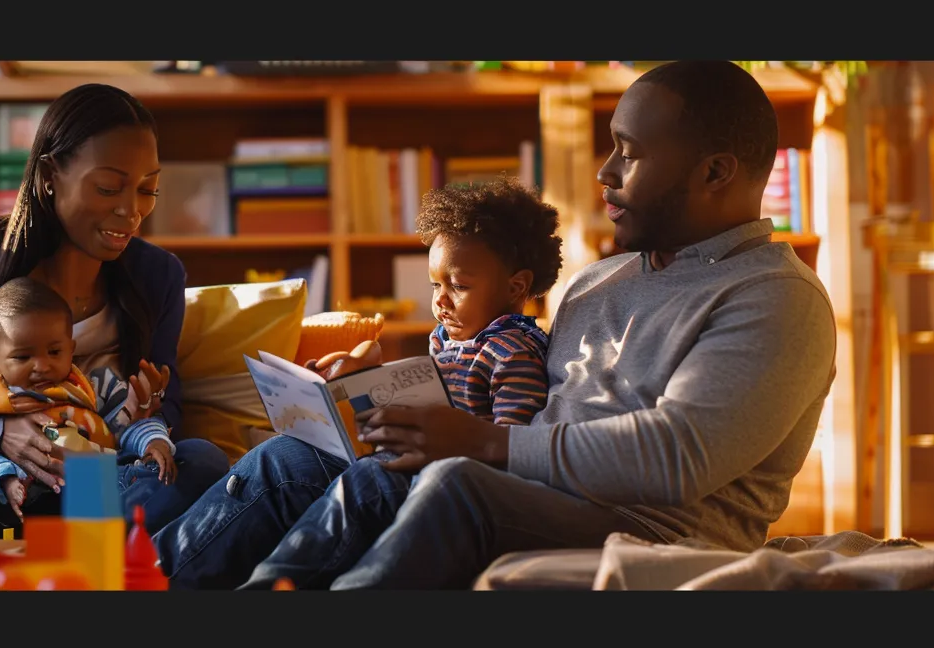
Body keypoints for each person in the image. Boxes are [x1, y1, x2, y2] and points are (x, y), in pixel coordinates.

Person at [154, 60, 838, 590]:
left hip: (655, 530)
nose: (605, 172)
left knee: (453, 485)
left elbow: (677, 457)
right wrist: (384, 396)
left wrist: (484, 446)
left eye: (629, 153)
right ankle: (140, 581)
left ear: (716, 171)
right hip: (528, 488)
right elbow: (509, 396)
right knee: (305, 461)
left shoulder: (775, 299)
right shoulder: (600, 281)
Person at [0, 83, 229, 535]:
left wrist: (150, 415)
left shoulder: (157, 276)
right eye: (108, 187)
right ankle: (86, 549)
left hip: (105, 487)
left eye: (148, 190)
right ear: (49, 173)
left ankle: (74, 545)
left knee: (200, 459)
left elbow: (167, 407)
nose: (131, 211)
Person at [240, 177, 562, 588]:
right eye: (435, 285)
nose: (440, 301)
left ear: (516, 286)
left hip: (444, 485)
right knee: (293, 461)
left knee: (357, 488)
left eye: (458, 287)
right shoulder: (448, 339)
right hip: (414, 463)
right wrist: (366, 378)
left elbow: (510, 445)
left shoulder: (511, 351)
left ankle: (275, 583)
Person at [0, 276, 178, 519]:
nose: (42, 366)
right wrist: (7, 480)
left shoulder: (95, 387)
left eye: (54, 352)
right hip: (44, 494)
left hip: (110, 477)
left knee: (196, 456)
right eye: (23, 357)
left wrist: (154, 442)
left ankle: (134, 509)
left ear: (71, 349)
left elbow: (130, 425)